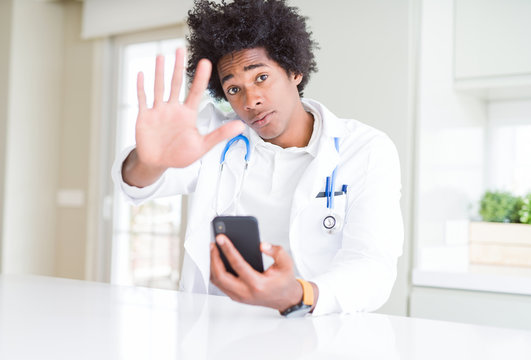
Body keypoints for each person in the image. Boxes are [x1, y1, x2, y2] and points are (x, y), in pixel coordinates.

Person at [112, 0, 403, 317]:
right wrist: (152, 161)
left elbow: (373, 265)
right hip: (216, 327)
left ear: (294, 70)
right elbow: (136, 185)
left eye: (261, 77)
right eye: (234, 89)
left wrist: (296, 294)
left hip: (316, 328)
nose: (251, 100)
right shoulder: (216, 135)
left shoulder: (365, 149)